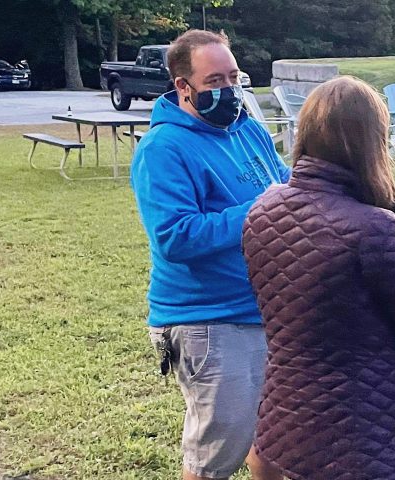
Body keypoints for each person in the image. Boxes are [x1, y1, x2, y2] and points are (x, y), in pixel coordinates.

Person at [242, 76, 395, 480]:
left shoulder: (262, 210)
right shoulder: (374, 229)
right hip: (362, 433)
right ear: (372, 143)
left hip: (287, 418)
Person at [131, 30, 289, 480]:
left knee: (272, 434)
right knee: (217, 454)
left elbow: (285, 182)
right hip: (209, 320)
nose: (229, 90)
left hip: (264, 311)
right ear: (184, 86)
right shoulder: (163, 148)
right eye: (214, 80)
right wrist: (258, 209)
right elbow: (175, 237)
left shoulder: (248, 130)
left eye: (234, 77)